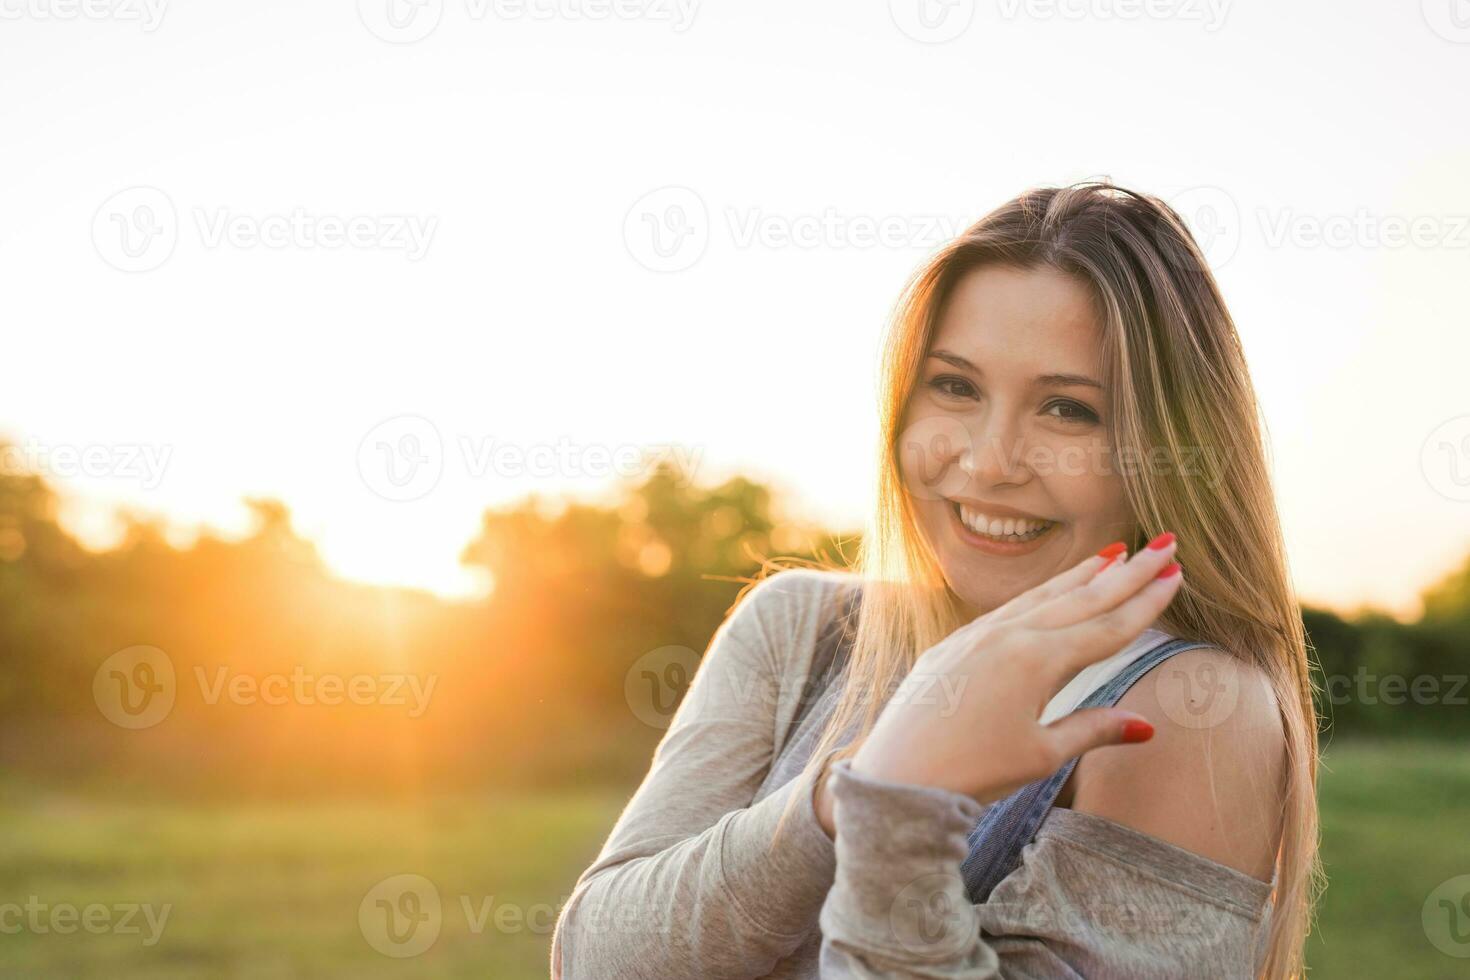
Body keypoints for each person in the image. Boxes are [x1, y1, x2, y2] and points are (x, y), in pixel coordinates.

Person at [551, 181, 1321, 978]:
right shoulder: (798, 629)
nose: (989, 462)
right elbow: (595, 957)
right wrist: (845, 795)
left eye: (1068, 411)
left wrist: (899, 815)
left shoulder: (1186, 707)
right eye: (955, 386)